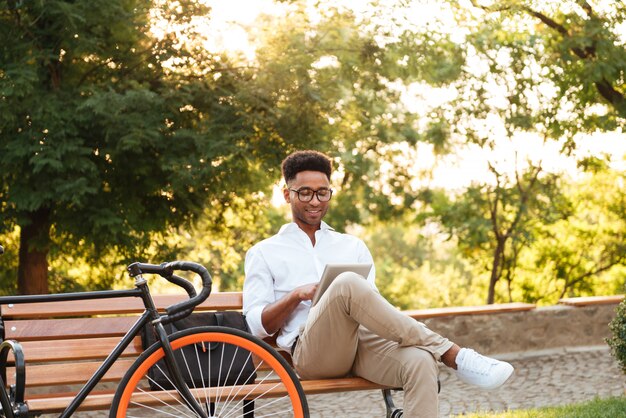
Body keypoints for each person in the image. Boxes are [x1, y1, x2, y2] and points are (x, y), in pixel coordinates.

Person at [243, 150, 514, 417]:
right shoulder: (264, 252)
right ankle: (454, 354)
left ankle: (440, 353)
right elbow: (255, 325)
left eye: (322, 192)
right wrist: (295, 296)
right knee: (346, 282)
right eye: (305, 192)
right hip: (313, 354)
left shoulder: (352, 245)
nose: (315, 200)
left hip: (363, 344)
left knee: (420, 361)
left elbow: (372, 307)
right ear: (287, 194)